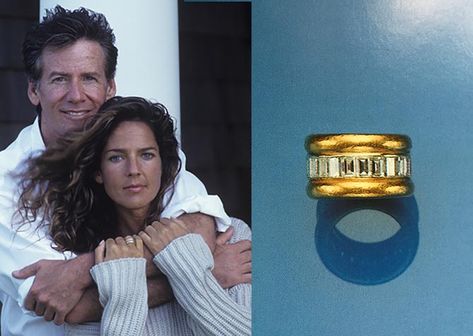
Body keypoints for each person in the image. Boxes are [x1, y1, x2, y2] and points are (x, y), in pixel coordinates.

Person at [0, 6, 251, 335]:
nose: (76, 95)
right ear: (34, 90)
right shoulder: (6, 181)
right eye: (60, 79)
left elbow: (200, 226)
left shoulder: (139, 146)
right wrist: (200, 275)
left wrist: (80, 269)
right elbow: (71, 307)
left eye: (89, 78)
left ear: (109, 87)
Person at [16, 96, 251, 335]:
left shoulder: (230, 235)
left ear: (163, 163)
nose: (134, 170)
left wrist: (190, 273)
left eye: (146, 155)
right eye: (116, 157)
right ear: (98, 172)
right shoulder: (91, 266)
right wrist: (204, 273)